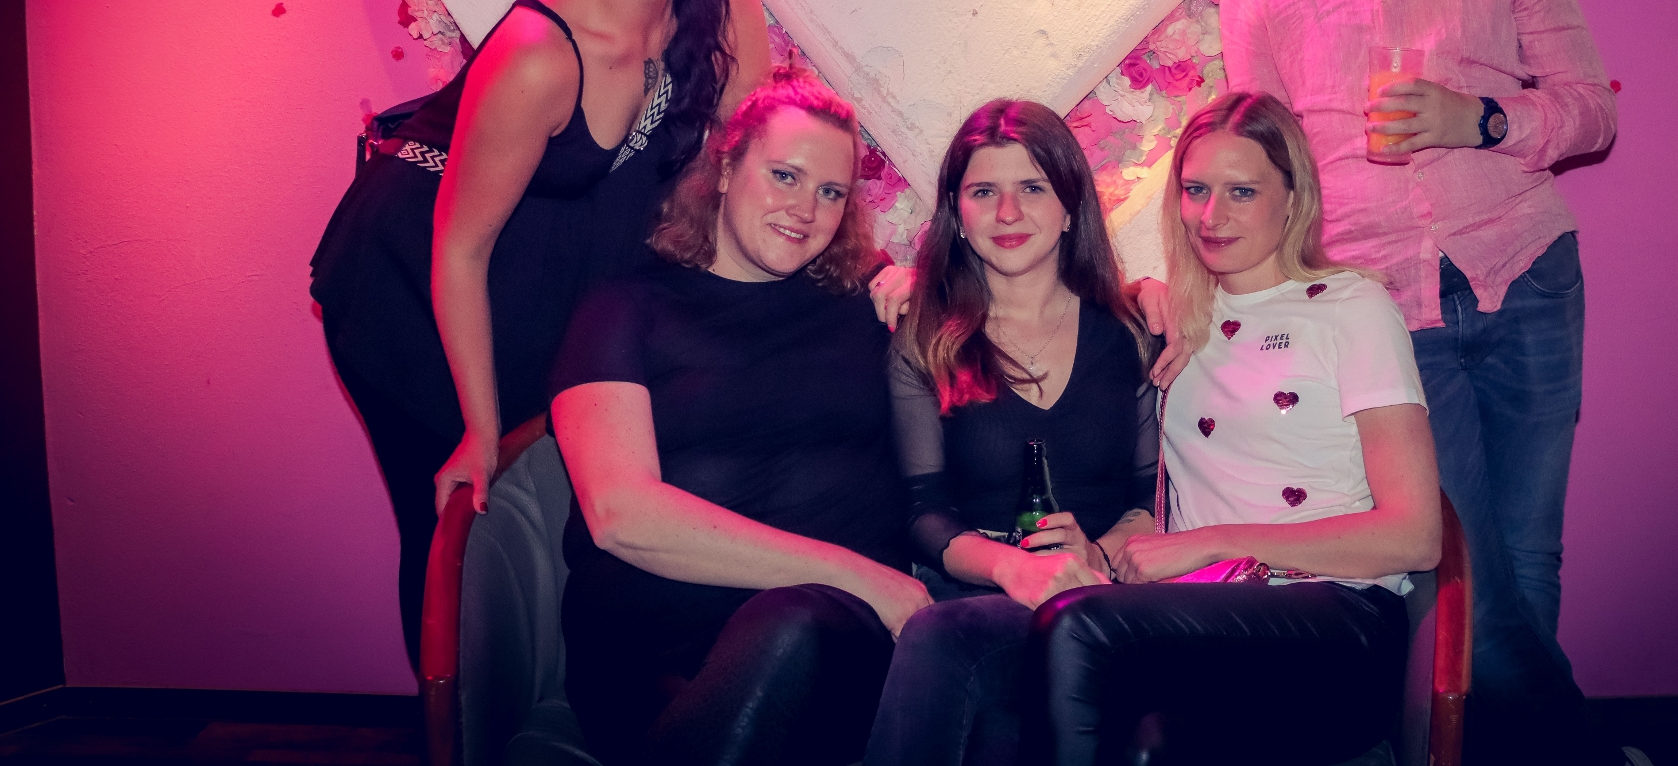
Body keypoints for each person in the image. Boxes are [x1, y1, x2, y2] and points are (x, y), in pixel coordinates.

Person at [1218, 0, 1621, 764]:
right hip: (1381, 309)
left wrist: (1476, 118)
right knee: (1465, 584)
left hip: (1524, 269)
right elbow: (1258, 165)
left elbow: (1591, 109)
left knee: (1527, 562)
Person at [310, 0, 770, 667]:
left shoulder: (725, 4)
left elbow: (745, 166)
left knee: (581, 508)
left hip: (550, 268)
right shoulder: (538, 53)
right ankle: (458, 723)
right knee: (460, 529)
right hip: (414, 284)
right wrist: (479, 429)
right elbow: (460, 245)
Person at [1022, 90, 1438, 764]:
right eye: (1196, 190)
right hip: (1208, 617)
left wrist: (1211, 542)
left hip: (1335, 626)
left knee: (1076, 625)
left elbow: (1416, 535)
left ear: (1293, 197)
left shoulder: (1353, 307)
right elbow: (1043, 304)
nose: (1211, 216)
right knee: (1150, 745)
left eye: (1242, 191)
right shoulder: (1181, 318)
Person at [551, 68, 929, 766]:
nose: (805, 209)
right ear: (726, 170)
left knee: (792, 628)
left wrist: (1135, 297)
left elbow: (1020, 328)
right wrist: (862, 576)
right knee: (780, 633)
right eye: (785, 176)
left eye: (831, 192)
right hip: (654, 652)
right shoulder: (623, 309)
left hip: (831, 643)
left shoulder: (865, 306)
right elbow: (619, 513)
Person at [863, 100, 1158, 766]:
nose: (1007, 213)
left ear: (1070, 206)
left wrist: (1097, 555)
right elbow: (923, 512)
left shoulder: (1128, 333)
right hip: (973, 598)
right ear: (956, 213)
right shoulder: (927, 339)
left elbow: (1150, 499)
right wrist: (1011, 566)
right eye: (983, 192)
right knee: (965, 677)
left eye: (1032, 188)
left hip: (1099, 599)